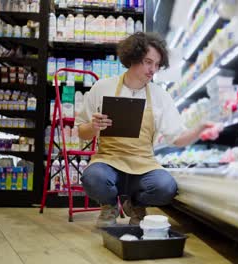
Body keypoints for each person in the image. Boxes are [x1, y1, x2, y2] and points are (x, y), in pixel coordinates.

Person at [76, 32, 214, 227]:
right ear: (133, 57)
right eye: (148, 62)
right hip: (108, 161)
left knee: (166, 187)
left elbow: (177, 138)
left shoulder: (160, 96)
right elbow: (81, 131)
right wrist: (93, 126)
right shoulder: (102, 87)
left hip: (144, 164)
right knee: (93, 178)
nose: (153, 70)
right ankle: (108, 206)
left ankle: (135, 204)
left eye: (157, 65)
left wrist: (199, 129)